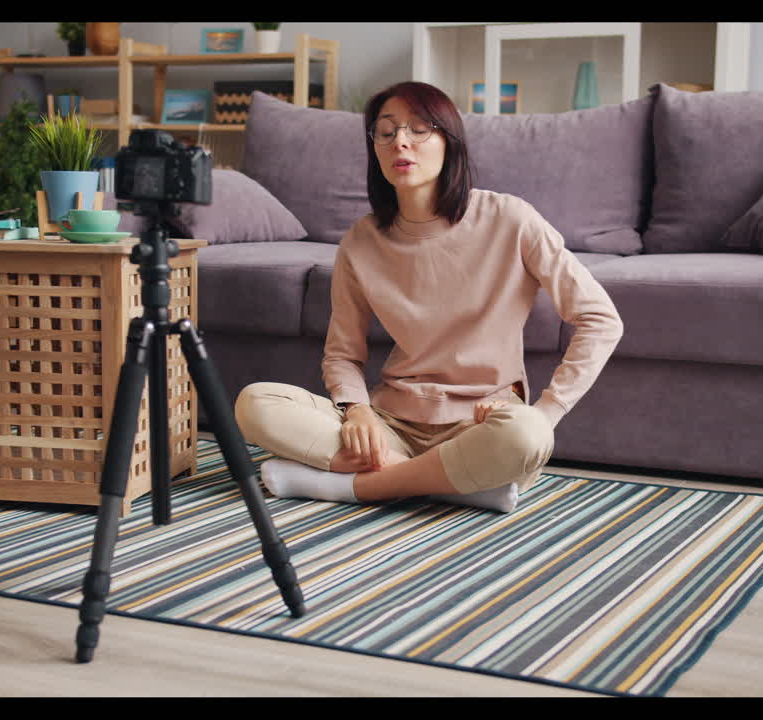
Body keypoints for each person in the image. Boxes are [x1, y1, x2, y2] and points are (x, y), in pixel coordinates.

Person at [234, 81, 623, 513]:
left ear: (449, 142)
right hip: (389, 423)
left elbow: (600, 319)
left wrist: (548, 412)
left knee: (527, 437)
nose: (401, 141)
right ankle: (450, 483)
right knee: (255, 404)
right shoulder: (361, 241)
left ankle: (353, 486)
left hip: (482, 425)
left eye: (420, 129)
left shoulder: (510, 219)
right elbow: (343, 354)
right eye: (386, 131)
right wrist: (356, 410)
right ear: (375, 148)